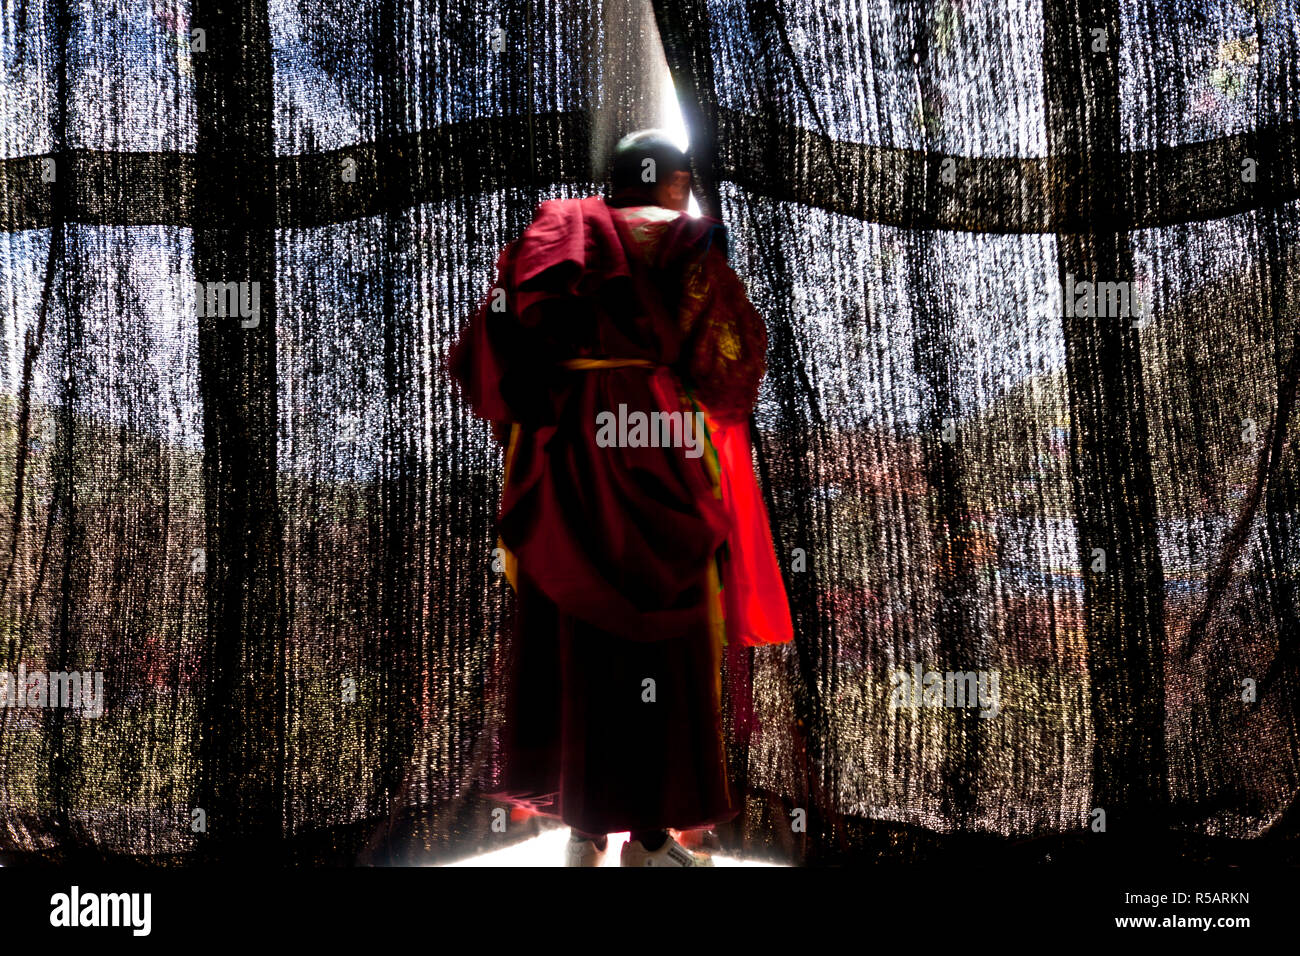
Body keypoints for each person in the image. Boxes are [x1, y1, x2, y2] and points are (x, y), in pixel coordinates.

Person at [448, 129, 793, 866]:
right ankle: (650, 836)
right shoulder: (688, 240)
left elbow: (491, 341)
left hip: (567, 444)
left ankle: (580, 832)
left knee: (570, 623)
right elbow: (728, 356)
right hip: (654, 442)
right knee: (665, 633)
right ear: (673, 184)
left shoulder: (551, 233)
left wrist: (549, 404)